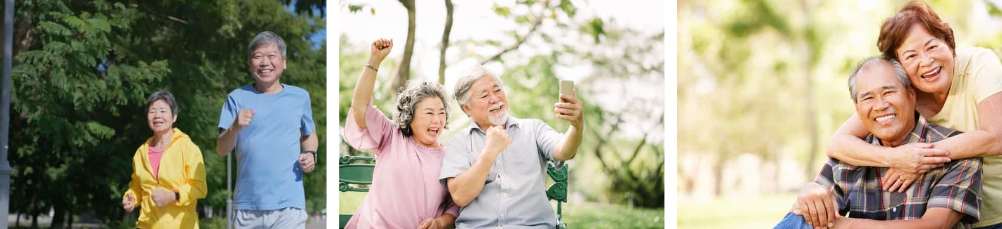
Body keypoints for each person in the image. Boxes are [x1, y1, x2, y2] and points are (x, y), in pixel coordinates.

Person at [826, 1, 1002, 228]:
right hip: (953, 212)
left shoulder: (979, 65)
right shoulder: (901, 93)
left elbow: (997, 137)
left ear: (949, 43)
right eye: (911, 56)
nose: (926, 62)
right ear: (898, 66)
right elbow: (838, 143)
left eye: (932, 47)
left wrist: (917, 159)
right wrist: (895, 158)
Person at [777, 57, 982, 229]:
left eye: (889, 92)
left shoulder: (957, 150)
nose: (881, 105)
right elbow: (810, 213)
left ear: (911, 95)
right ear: (857, 110)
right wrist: (811, 191)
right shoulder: (852, 155)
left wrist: (845, 225)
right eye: (868, 98)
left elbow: (935, 226)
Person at [438, 64, 584, 228]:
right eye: (484, 95)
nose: (495, 98)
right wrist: (490, 151)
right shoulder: (460, 142)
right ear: (467, 108)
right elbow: (460, 196)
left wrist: (576, 126)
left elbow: (564, 151)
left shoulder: (533, 129)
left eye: (498, 90)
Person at [342, 38, 459, 229]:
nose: (437, 120)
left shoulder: (450, 157)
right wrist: (374, 61)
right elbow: (360, 107)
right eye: (429, 113)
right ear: (410, 116)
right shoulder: (390, 136)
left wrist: (438, 223)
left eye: (441, 113)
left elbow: (454, 206)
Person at [215, 31, 318, 228]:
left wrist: (311, 153)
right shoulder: (236, 98)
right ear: (249, 64)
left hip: (289, 205)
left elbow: (309, 134)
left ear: (284, 62)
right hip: (247, 206)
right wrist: (235, 127)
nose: (265, 62)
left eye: (271, 56)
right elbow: (221, 149)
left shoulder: (300, 97)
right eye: (258, 56)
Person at [122, 90, 208, 228]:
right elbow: (137, 186)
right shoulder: (140, 153)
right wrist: (131, 197)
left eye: (163, 111)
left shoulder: (188, 148)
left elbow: (199, 187)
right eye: (152, 111)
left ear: (174, 117)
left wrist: (173, 196)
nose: (157, 116)